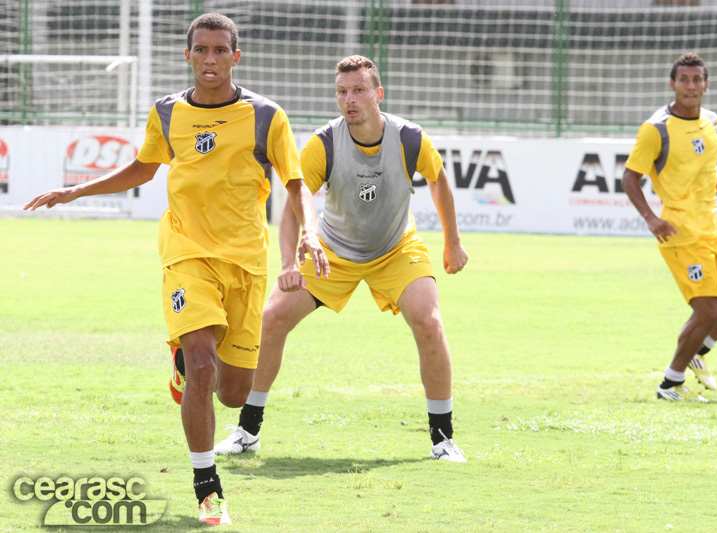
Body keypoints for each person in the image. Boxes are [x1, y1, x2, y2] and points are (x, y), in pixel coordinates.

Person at [24, 13, 328, 525]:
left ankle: (187, 363)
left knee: (231, 393)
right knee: (203, 364)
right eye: (201, 50)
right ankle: (208, 487)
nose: (210, 60)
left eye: (219, 50)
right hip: (186, 252)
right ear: (186, 55)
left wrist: (309, 232)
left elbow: (295, 183)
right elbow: (146, 166)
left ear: (237, 55)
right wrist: (78, 189)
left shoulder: (266, 116)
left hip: (246, 264)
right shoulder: (167, 112)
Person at [214, 55, 470, 461]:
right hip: (331, 252)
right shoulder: (324, 142)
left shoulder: (409, 138)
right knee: (272, 318)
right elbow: (295, 203)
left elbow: (438, 181)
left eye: (358, 90)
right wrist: (288, 264)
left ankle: (443, 439)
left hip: (396, 249)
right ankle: (247, 431)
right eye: (342, 92)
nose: (349, 99)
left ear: (378, 94)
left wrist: (452, 243)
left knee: (429, 320)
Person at [622, 52, 717, 401]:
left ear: (706, 84)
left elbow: (708, 169)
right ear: (672, 84)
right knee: (709, 310)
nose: (691, 86)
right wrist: (651, 218)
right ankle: (670, 385)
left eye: (697, 79)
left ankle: (699, 350)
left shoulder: (713, 122)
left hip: (714, 230)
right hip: (681, 234)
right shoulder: (656, 129)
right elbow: (630, 178)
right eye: (684, 80)